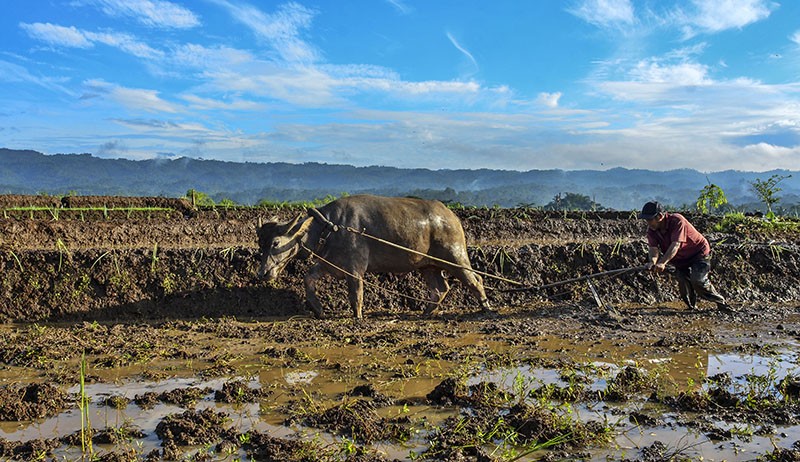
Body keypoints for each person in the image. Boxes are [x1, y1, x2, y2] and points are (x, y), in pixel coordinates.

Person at [638, 201, 732, 312]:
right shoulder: (652, 230)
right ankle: (692, 307)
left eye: (649, 219)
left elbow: (675, 245)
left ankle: (721, 303)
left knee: (698, 281)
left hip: (698, 253)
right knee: (683, 282)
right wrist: (652, 262)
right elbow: (653, 249)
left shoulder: (677, 221)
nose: (648, 223)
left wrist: (662, 262)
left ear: (659, 216)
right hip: (680, 259)